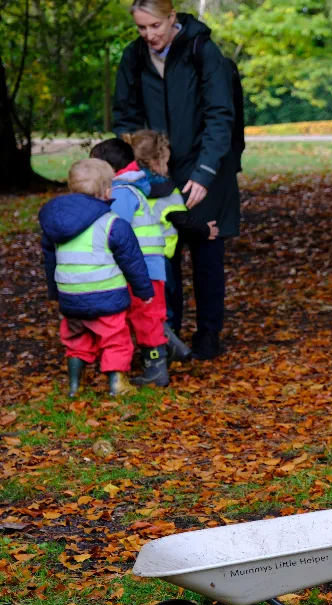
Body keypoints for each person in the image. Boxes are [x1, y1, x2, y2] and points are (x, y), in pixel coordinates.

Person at [112, 0, 240, 360]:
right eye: (141, 28)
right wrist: (145, 160)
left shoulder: (203, 51)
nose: (149, 35)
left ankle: (209, 333)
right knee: (160, 255)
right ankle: (166, 332)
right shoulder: (133, 57)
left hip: (205, 169)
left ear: (172, 18)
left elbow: (220, 115)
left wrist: (204, 173)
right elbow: (124, 116)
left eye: (155, 26)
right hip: (156, 173)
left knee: (206, 251)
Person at [39, 159, 154, 397]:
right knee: (115, 338)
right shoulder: (113, 224)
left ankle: (74, 386)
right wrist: (144, 291)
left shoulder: (55, 227)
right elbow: (132, 262)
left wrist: (55, 293)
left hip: (71, 298)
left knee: (77, 337)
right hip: (107, 296)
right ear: (108, 192)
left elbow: (50, 263)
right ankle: (117, 384)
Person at [122, 129, 220, 363]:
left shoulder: (126, 186)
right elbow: (183, 222)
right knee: (165, 303)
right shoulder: (167, 192)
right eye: (166, 161)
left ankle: (136, 350)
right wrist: (207, 230)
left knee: (138, 305)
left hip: (131, 259)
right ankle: (168, 345)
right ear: (156, 161)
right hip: (159, 259)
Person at [90, 138, 170, 387]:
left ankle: (156, 368)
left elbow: (115, 229)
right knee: (148, 313)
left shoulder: (122, 193)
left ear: (109, 169)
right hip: (145, 265)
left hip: (140, 267)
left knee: (145, 315)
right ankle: (163, 356)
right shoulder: (131, 187)